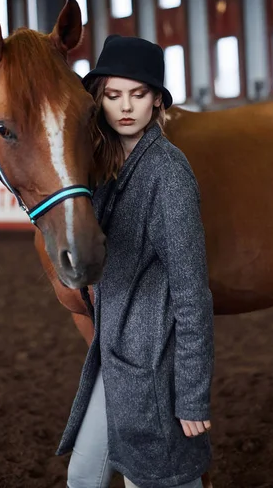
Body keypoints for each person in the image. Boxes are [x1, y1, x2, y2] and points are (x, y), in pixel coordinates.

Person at [56, 35, 214, 488]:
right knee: (83, 476)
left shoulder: (169, 173)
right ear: (99, 100)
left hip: (156, 369)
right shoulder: (101, 169)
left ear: (157, 102)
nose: (126, 106)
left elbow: (192, 295)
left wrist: (192, 396)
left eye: (139, 94)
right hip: (114, 359)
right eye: (113, 95)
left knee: (155, 480)